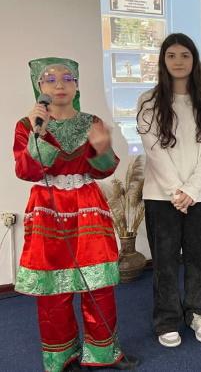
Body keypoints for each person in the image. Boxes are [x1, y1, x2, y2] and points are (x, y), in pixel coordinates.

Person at [13, 57, 138, 371]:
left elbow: (105, 169)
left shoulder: (91, 121)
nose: (59, 84)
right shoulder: (27, 125)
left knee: (99, 285)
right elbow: (26, 171)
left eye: (67, 78)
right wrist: (38, 135)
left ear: (77, 85)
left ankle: (103, 353)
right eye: (50, 78)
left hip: (87, 206)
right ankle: (61, 356)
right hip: (48, 208)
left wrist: (102, 148)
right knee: (53, 288)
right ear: (38, 86)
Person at [137, 33, 201, 347]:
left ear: (194, 60)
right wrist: (177, 190)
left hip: (200, 196)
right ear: (163, 61)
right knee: (165, 261)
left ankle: (198, 312)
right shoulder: (148, 100)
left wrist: (191, 189)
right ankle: (167, 319)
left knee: (199, 259)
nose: (178, 61)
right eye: (171, 55)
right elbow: (154, 150)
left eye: (185, 55)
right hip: (161, 197)